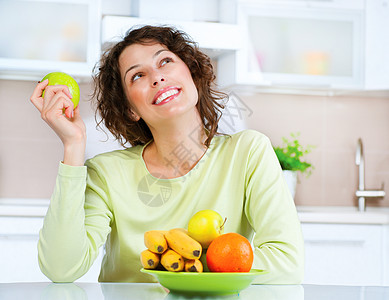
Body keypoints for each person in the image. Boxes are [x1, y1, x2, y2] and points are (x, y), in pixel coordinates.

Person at [30, 25, 304, 283]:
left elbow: (287, 262)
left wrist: (182, 268)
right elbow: (61, 268)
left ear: (192, 74)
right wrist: (73, 145)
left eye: (165, 61)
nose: (157, 77)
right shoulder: (106, 173)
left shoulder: (247, 152)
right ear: (130, 109)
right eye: (138, 75)